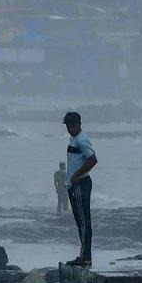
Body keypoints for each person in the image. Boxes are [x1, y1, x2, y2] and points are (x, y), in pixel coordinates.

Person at [62, 111, 97, 266]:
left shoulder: (81, 140)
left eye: (73, 126)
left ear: (79, 124)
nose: (70, 129)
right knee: (80, 222)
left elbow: (92, 159)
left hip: (80, 183)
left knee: (83, 222)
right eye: (68, 126)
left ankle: (85, 258)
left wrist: (76, 175)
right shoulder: (74, 138)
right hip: (74, 184)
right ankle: (84, 255)